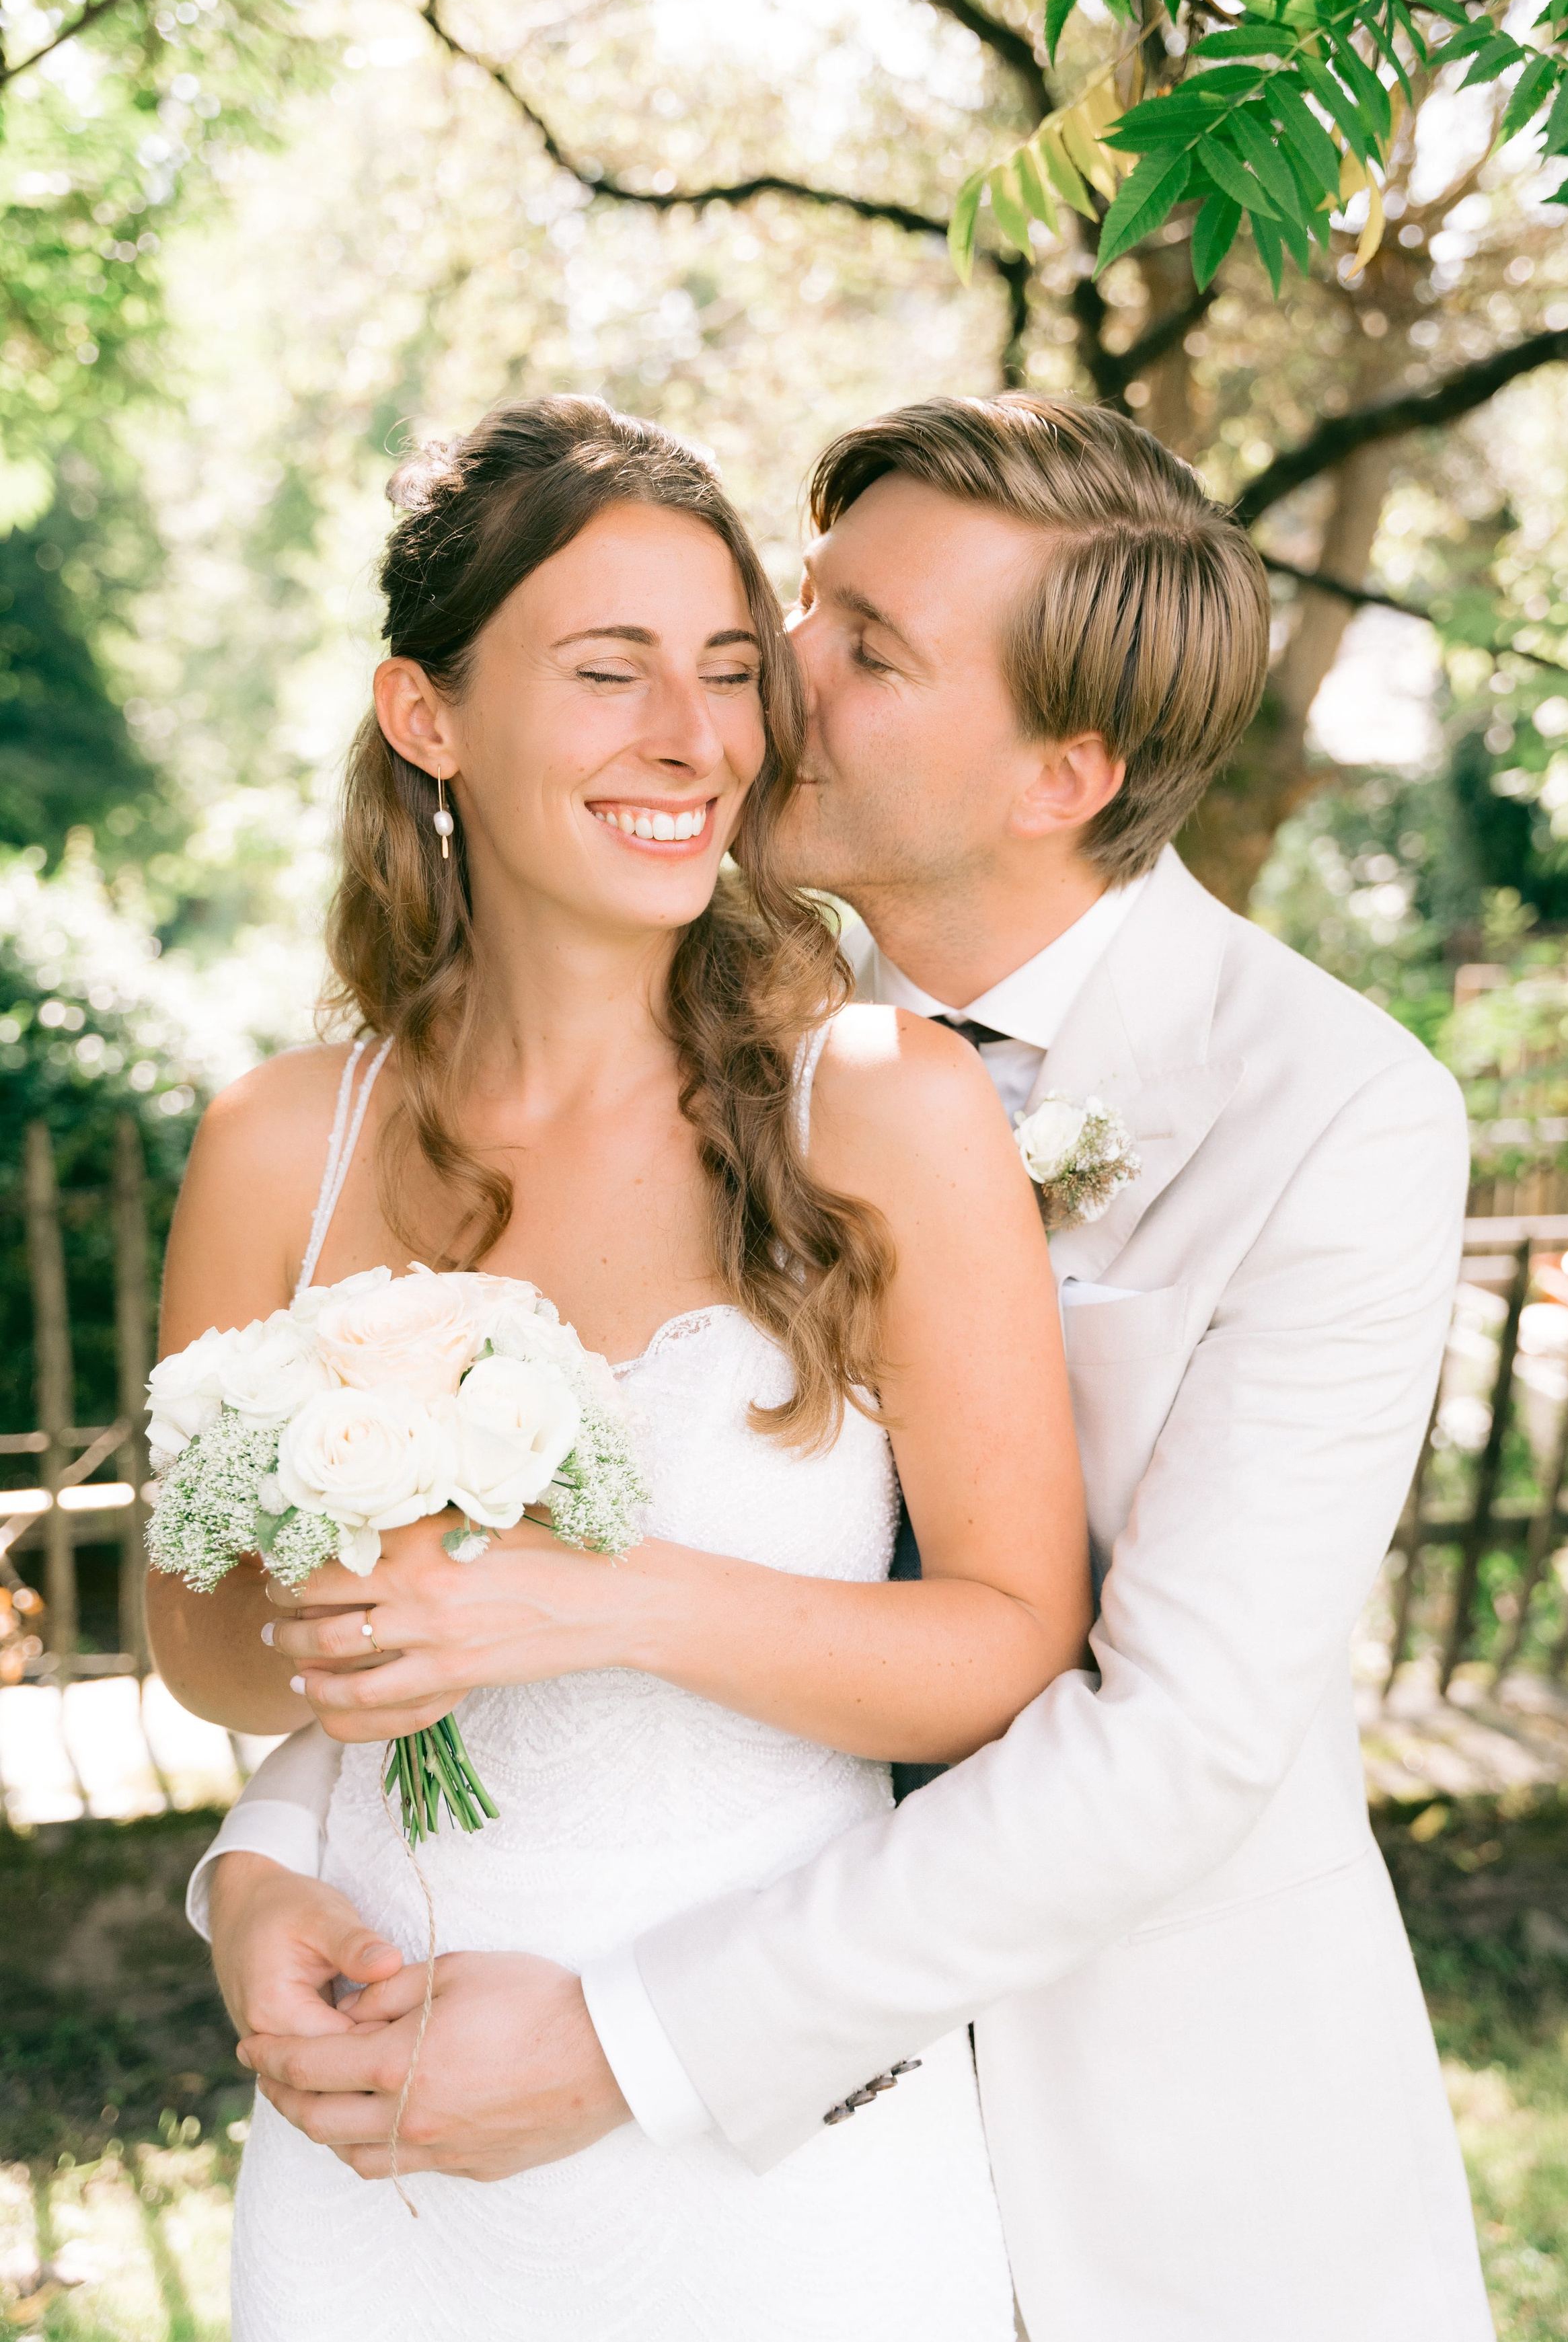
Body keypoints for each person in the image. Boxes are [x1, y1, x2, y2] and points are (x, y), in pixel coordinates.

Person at [180, 395, 1495, 2342]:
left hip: (1130, 2129)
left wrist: (629, 2044)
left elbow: (1172, 1739)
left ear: (1065, 769)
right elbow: (433, 1580)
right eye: (803, 605)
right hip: (515, 2111)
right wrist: (269, 1855)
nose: (765, 688)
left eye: (857, 648)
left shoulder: (1333, 1111)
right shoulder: (713, 1014)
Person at [146, 393, 1100, 2342]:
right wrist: (258, 1877)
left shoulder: (886, 1110)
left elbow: (1013, 1635)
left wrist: (582, 1601)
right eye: (608, 672)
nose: (696, 739)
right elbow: (208, 1646)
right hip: (375, 2131)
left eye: (731, 670)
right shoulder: (279, 1142)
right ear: (430, 716)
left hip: (776, 2146)